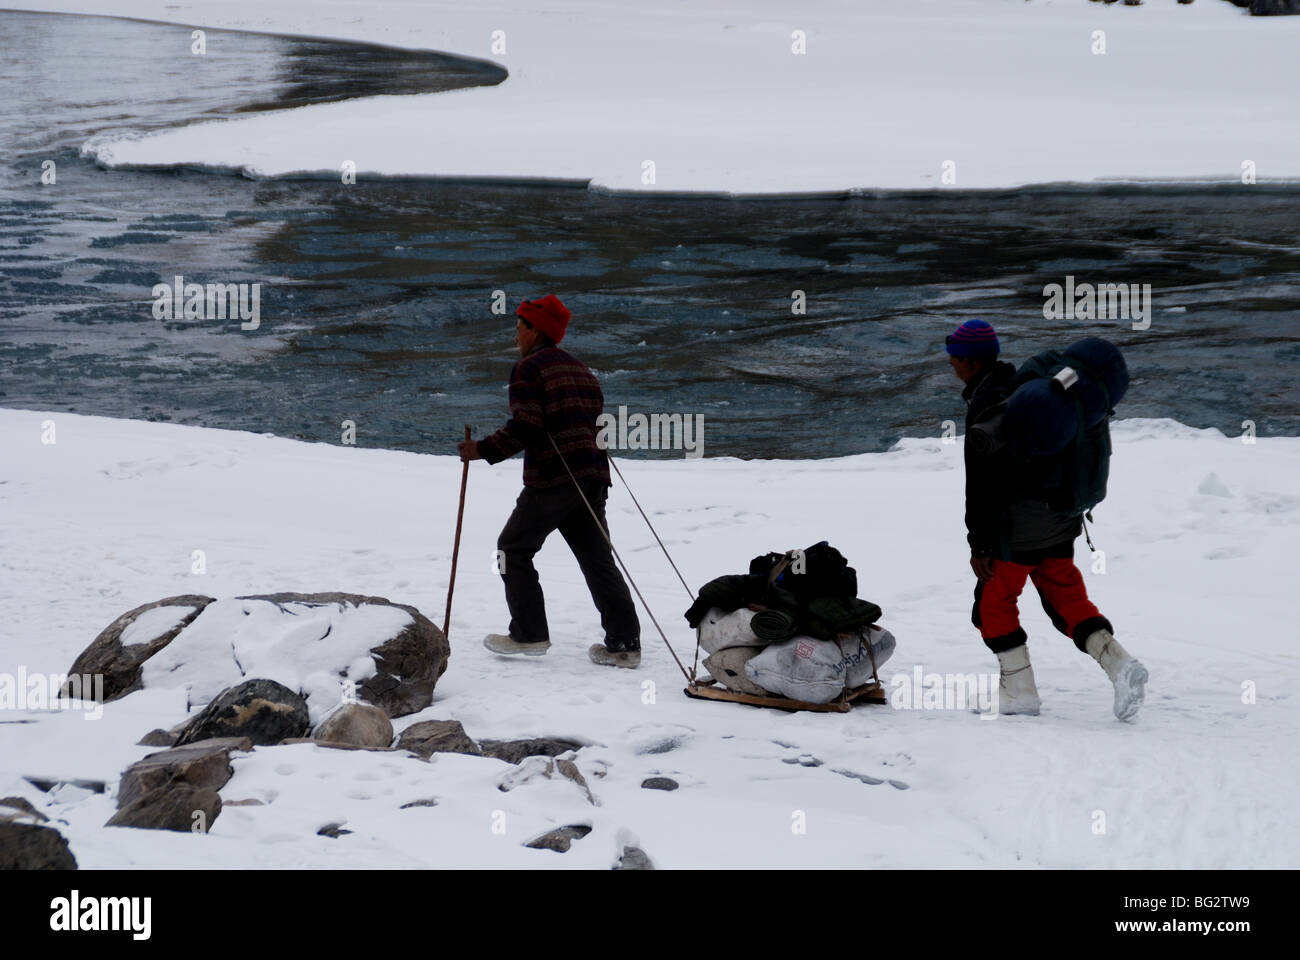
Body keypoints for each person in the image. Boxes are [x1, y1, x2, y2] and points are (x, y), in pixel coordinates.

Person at [947, 319, 1148, 720]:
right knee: (1064, 597)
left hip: (1017, 529)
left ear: (967, 362)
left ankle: (1019, 692)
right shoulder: (1028, 387)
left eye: (953, 356)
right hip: (1059, 517)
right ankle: (1120, 664)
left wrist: (981, 545)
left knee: (992, 603)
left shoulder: (989, 410)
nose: (951, 364)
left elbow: (982, 487)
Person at [458, 294, 642, 668]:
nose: (515, 337)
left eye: (519, 328)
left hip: (554, 479)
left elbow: (527, 426)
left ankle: (529, 635)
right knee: (597, 560)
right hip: (592, 476)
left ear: (535, 330)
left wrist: (481, 449)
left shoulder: (528, 368)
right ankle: (625, 645)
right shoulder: (583, 371)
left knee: (512, 549)